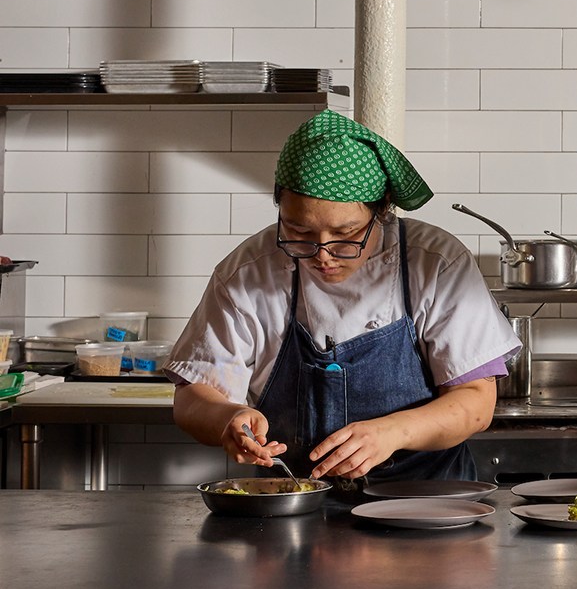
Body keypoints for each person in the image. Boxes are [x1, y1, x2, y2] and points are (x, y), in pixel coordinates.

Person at [170, 110, 517, 482]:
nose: (322, 254)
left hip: (427, 505)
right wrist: (227, 419)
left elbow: (476, 402)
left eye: (347, 234)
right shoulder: (247, 273)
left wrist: (391, 432)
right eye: (299, 232)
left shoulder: (435, 263)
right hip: (296, 504)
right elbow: (193, 397)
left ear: (381, 210)